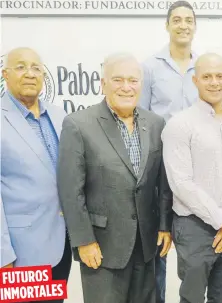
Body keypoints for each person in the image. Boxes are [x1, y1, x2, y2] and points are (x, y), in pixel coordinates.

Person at [57, 53, 173, 303]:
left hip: (146, 245)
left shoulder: (155, 123)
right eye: (118, 80)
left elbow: (162, 183)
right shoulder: (78, 124)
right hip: (102, 248)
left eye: (133, 80)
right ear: (103, 83)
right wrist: (84, 240)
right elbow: (70, 190)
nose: (126, 87)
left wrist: (164, 224)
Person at [161, 53, 222, 303]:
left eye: (219, 76)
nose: (214, 82)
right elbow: (181, 183)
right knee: (192, 298)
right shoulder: (179, 125)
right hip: (195, 227)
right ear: (195, 81)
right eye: (207, 77)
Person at [0, 47, 71, 303]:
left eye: (36, 68)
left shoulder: (60, 116)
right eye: (20, 67)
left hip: (61, 246)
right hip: (20, 253)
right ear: (5, 74)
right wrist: (2, 255)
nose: (29, 73)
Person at [140, 2, 198, 301]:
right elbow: (142, 117)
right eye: (177, 20)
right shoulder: (150, 66)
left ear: (195, 26)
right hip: (159, 167)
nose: (183, 25)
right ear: (167, 25)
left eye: (189, 20)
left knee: (195, 252)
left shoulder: (204, 67)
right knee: (157, 246)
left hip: (198, 169)